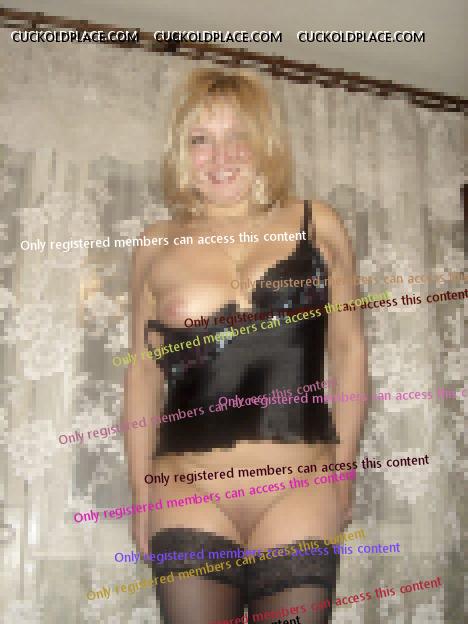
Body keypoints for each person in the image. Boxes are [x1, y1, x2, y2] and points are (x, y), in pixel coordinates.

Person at [123, 69, 367, 623]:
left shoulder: (318, 223)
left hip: (299, 491)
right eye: (201, 139)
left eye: (238, 136)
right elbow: (142, 376)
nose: (220, 156)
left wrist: (344, 471)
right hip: (187, 494)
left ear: (266, 142)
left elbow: (349, 353)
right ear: (181, 152)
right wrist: (139, 495)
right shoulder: (156, 244)